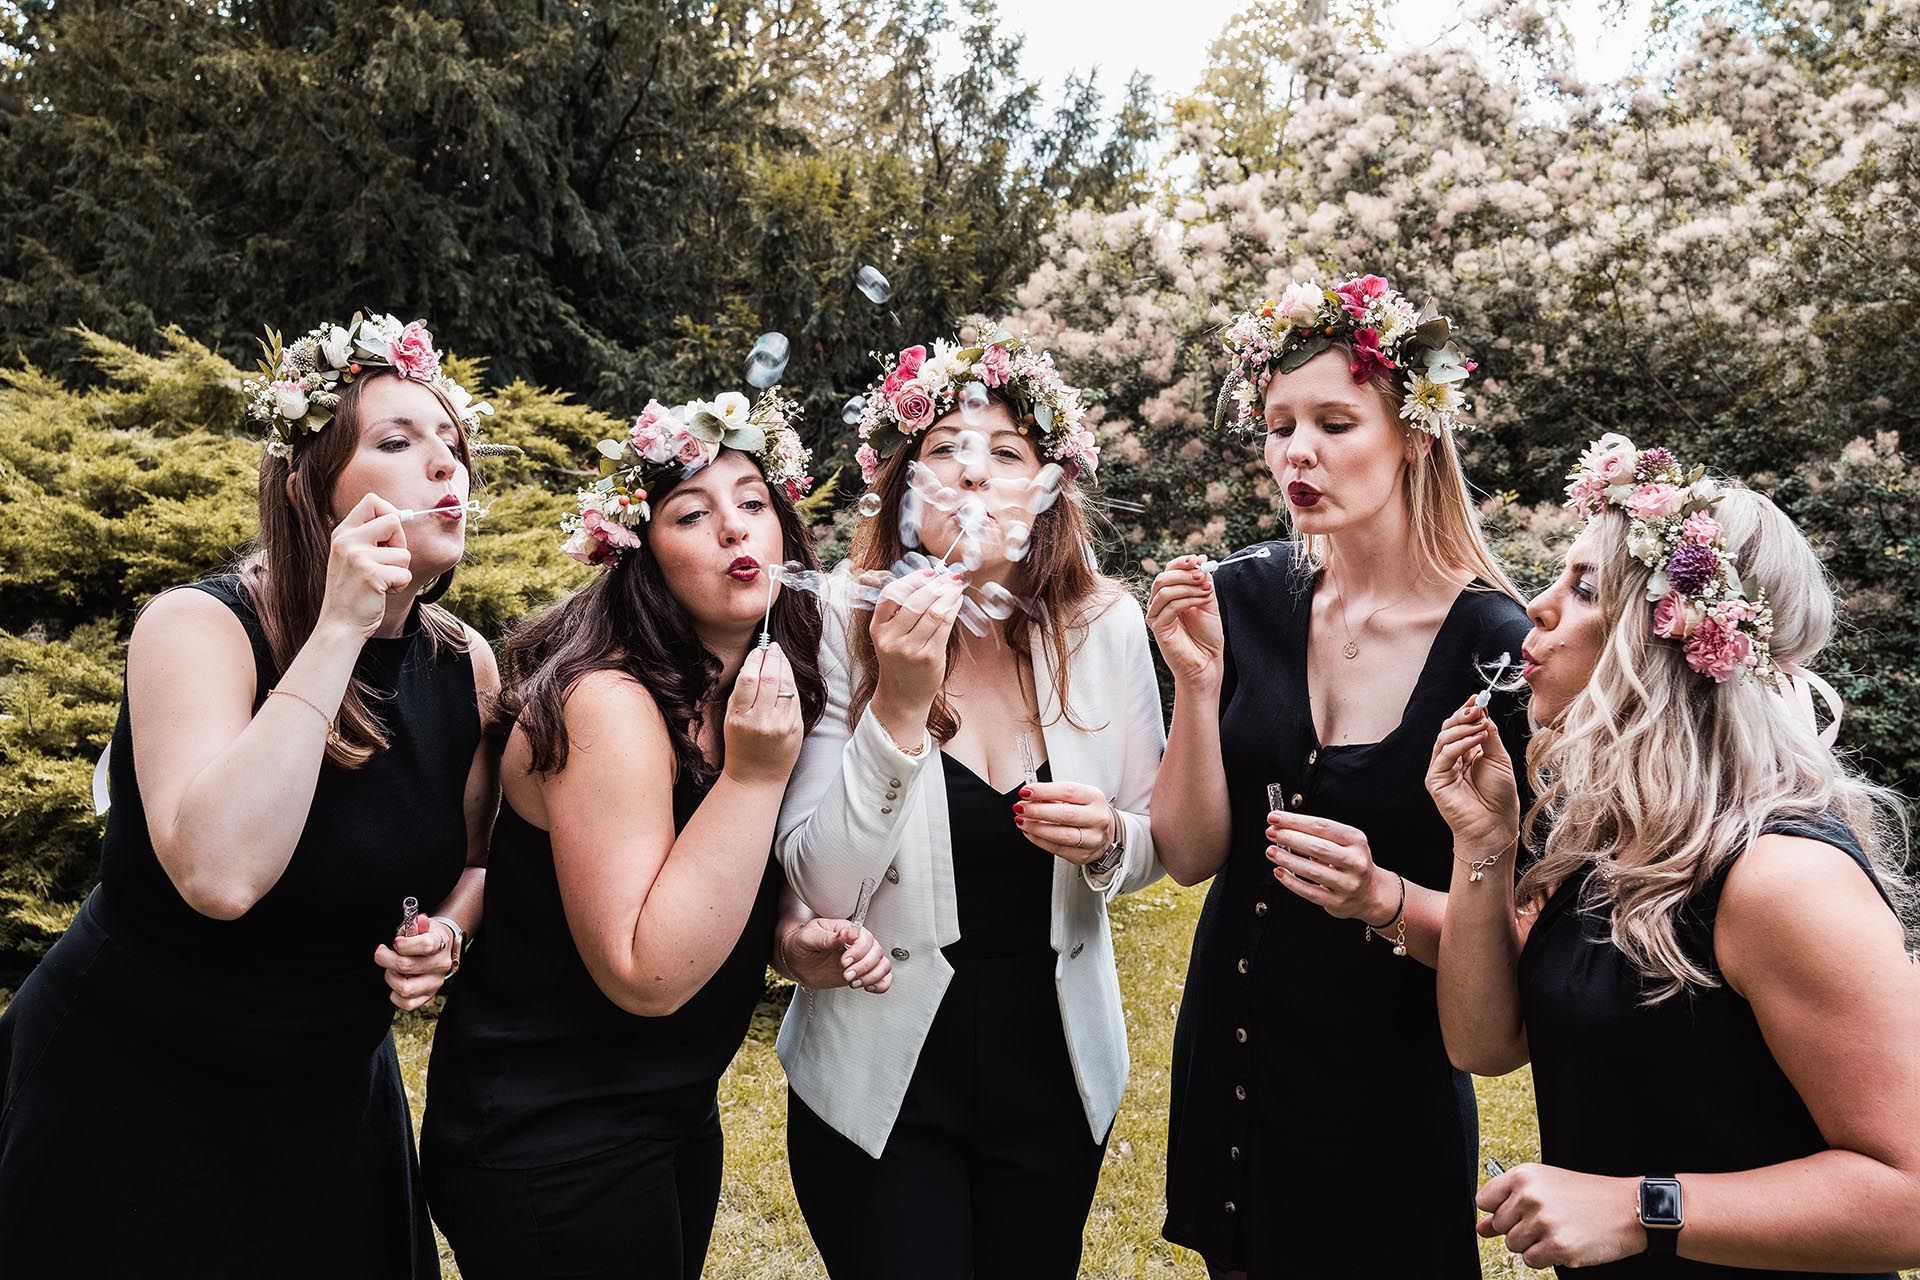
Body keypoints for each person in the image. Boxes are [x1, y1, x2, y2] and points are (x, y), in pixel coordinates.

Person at [0, 313, 498, 1277]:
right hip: (132, 1089)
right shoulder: (199, 627)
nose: (446, 467)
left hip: (327, 1101)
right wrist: (340, 629)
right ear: (312, 492)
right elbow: (220, 873)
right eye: (396, 443)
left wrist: (451, 933)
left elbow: (476, 860)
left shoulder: (464, 665)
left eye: (451, 444)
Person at [420, 389, 890, 1280]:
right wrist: (754, 776)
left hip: (669, 1106)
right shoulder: (609, 705)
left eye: (753, 502)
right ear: (637, 553)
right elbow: (643, 973)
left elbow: (730, 873)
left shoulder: (748, 686)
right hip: (548, 1129)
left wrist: (793, 934)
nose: (734, 530)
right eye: (692, 513)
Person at [1428, 433, 1920, 1276]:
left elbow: (1910, 1194)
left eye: (1584, 588)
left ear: (1672, 639)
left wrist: (1639, 1206)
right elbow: (1483, 1044)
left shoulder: (1781, 877)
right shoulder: (1604, 836)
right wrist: (1484, 848)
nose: (1536, 608)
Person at [1148, 276, 1529, 1277]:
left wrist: (1384, 896)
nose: (1297, 454)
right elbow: (1189, 855)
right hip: (1234, 1081)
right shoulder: (1245, 596)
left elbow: (1528, 936)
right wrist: (1194, 684)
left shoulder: (1497, 650)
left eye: (1333, 421)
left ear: (1414, 432)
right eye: (1278, 427)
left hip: (1381, 1108)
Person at [775, 321, 1164, 1279]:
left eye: (1008, 452)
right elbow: (819, 881)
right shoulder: (841, 614)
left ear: (1048, 487)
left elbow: (1164, 837)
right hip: (881, 1072)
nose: (975, 474)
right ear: (906, 489)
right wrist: (899, 709)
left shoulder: (1107, 625)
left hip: (1054, 1067)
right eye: (944, 450)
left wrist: (1113, 838)